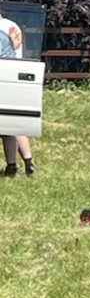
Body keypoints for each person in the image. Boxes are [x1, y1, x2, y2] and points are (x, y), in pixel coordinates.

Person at [1, 9, 34, 178]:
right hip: (15, 76)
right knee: (13, 123)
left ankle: (13, 165)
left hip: (1, 76)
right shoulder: (12, 26)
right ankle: (25, 163)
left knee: (6, 125)